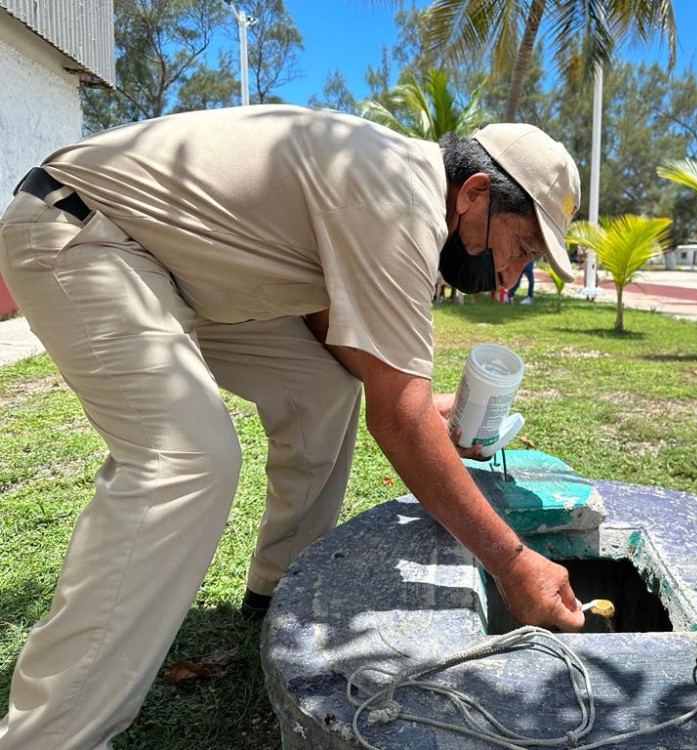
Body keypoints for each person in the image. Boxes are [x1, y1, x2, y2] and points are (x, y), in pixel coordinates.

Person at [0, 105, 585, 750]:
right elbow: (398, 417)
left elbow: (330, 328)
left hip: (181, 270)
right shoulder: (399, 201)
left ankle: (278, 589)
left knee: (321, 389)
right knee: (186, 461)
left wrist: (424, 409)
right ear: (474, 193)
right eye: (520, 248)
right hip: (86, 230)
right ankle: (50, 736)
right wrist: (511, 563)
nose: (512, 276)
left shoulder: (394, 181)